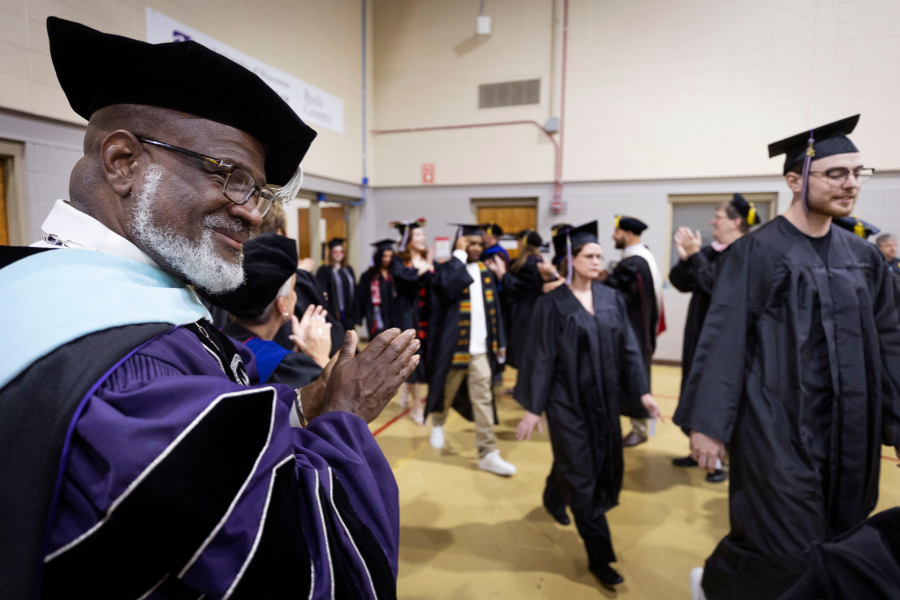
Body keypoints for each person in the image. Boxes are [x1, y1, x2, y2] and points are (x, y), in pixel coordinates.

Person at [0, 18, 421, 599]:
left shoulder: (27, 287)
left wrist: (304, 406)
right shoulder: (128, 370)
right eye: (231, 176)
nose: (252, 212)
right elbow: (309, 569)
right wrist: (343, 417)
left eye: (259, 192)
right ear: (123, 161)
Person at [674, 114, 900, 600]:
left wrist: (897, 423)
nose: (851, 184)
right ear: (795, 180)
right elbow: (725, 334)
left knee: (841, 535)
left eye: (859, 173)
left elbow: (890, 341)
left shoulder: (862, 258)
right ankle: (717, 585)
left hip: (851, 431)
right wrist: (708, 422)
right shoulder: (758, 253)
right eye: (836, 173)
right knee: (784, 545)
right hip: (778, 424)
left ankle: (717, 583)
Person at [514, 221, 664, 590]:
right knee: (582, 478)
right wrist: (533, 407)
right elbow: (543, 357)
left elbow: (629, 349)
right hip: (566, 404)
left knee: (582, 460)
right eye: (590, 256)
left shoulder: (611, 298)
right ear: (572, 259)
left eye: (600, 255)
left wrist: (642, 392)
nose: (598, 261)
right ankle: (601, 557)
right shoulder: (551, 305)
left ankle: (552, 497)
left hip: (604, 403)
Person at [668, 194, 757, 483]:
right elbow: (681, 283)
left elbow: (718, 290)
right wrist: (685, 258)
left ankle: (718, 459)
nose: (711, 222)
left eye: (717, 217)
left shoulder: (746, 253)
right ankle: (697, 449)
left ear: (736, 221)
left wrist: (695, 257)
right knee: (694, 389)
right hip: (698, 336)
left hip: (725, 342)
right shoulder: (710, 251)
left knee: (717, 395)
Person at [425, 225, 514, 476]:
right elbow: (445, 289)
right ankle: (438, 423)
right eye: (470, 243)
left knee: (484, 400)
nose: (476, 247)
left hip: (480, 350)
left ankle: (488, 452)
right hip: (455, 349)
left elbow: (495, 310)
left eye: (479, 243)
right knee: (447, 392)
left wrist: (500, 342)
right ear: (461, 244)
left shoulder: (486, 271)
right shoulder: (449, 269)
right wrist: (459, 257)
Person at [200, 233, 331, 388]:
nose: (295, 296)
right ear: (282, 305)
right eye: (293, 289)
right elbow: (335, 406)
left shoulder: (208, 342)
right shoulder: (286, 369)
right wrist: (320, 357)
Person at [601, 215, 665, 447]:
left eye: (616, 232)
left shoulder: (634, 263)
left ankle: (639, 429)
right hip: (638, 331)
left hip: (634, 334)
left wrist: (595, 284)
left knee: (635, 378)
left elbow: (618, 296)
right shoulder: (639, 258)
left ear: (628, 234)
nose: (613, 236)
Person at [486, 229, 554, 371]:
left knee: (523, 349)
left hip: (525, 312)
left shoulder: (529, 263)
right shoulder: (536, 261)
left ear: (523, 243)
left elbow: (519, 288)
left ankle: (525, 386)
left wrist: (502, 274)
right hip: (529, 311)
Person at [391, 219, 433, 425]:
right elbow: (404, 278)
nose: (423, 238)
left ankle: (408, 389)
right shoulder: (399, 261)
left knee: (421, 358)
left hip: (424, 313)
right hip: (406, 313)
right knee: (412, 356)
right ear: (408, 239)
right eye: (418, 235)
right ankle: (417, 403)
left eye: (422, 235)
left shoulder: (427, 259)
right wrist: (422, 269)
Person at [316, 237, 358, 333]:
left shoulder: (348, 269)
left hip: (348, 312)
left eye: (341, 252)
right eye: (335, 252)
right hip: (333, 312)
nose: (338, 254)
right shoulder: (324, 270)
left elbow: (354, 289)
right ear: (331, 253)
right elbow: (321, 289)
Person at [358, 239, 398, 338]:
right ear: (379, 256)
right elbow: (360, 297)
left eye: (390, 256)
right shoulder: (369, 275)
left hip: (394, 315)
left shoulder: (395, 274)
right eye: (384, 256)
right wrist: (358, 316)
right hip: (376, 315)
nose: (387, 259)